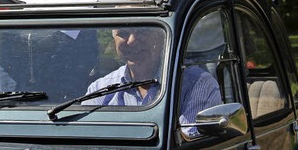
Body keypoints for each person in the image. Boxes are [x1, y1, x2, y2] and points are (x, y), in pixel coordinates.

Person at [81, 28, 221, 132]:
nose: (131, 41)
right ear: (114, 41)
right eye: (123, 33)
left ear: (161, 38)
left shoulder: (196, 84)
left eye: (142, 32)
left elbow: (188, 141)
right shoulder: (100, 89)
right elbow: (86, 139)